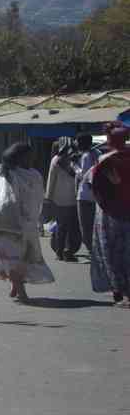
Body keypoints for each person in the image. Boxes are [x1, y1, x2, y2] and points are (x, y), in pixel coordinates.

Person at [0, 143, 55, 303]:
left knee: (24, 256)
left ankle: (16, 284)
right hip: (6, 223)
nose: (31, 158)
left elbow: (38, 197)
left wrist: (38, 216)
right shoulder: (5, 173)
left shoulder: (34, 175)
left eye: (32, 155)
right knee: (13, 257)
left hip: (27, 223)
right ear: (18, 157)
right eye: (28, 156)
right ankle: (21, 290)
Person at [91, 122, 130, 306]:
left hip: (109, 214)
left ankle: (118, 289)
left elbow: (92, 184)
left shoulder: (105, 160)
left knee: (111, 251)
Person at [45, 138, 80, 261]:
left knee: (61, 226)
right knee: (71, 227)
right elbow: (79, 175)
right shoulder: (75, 160)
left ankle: (59, 252)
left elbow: (51, 179)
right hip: (73, 198)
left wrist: (48, 197)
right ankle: (68, 251)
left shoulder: (55, 160)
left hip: (58, 199)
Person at [75, 133, 99, 256]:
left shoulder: (85, 156)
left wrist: (74, 166)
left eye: (77, 141)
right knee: (93, 226)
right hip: (95, 197)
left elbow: (83, 175)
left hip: (84, 196)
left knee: (85, 227)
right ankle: (95, 252)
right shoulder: (97, 153)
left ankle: (92, 253)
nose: (76, 143)